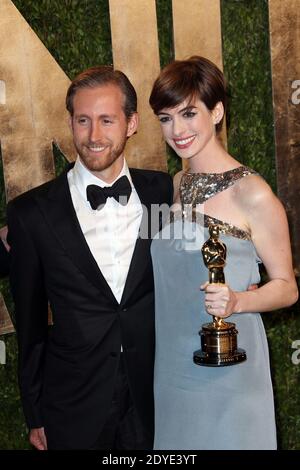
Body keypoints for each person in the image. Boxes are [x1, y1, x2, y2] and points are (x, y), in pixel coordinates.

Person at [7, 66, 173, 450]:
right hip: (72, 404)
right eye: (83, 121)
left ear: (131, 123)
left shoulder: (162, 193)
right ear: (71, 122)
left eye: (106, 120)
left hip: (154, 396)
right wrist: (35, 413)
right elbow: (29, 324)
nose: (94, 136)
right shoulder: (31, 213)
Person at [149, 56, 298, 450]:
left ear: (216, 112)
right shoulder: (178, 184)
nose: (177, 130)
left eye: (188, 113)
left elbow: (286, 287)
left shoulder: (252, 192)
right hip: (173, 370)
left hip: (230, 370)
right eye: (166, 118)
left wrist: (238, 300)